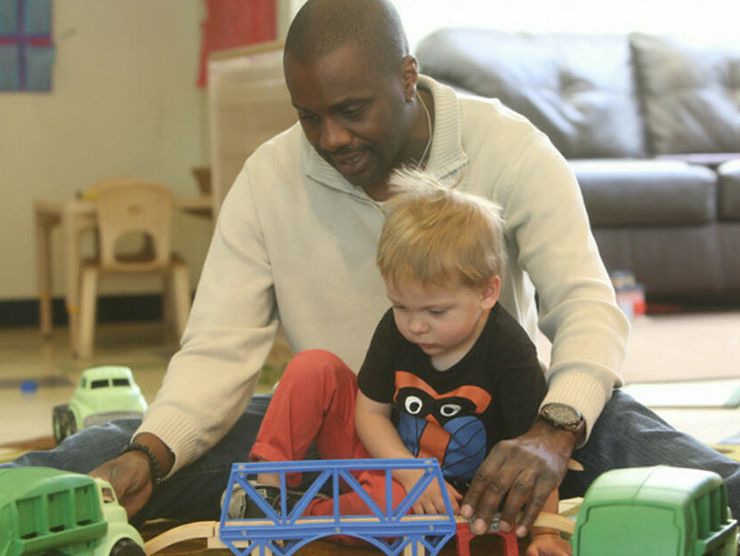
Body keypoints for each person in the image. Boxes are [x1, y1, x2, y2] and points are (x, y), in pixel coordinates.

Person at [9, 0, 738, 538]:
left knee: (638, 440)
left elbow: (585, 305)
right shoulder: (269, 179)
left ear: (408, 77)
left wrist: (552, 429)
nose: (330, 137)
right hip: (345, 432)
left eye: (351, 110)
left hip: (498, 425)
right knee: (104, 454)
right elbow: (217, 350)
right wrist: (153, 451)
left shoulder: (511, 149)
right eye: (309, 116)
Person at [241, 169, 570, 555]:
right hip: (388, 458)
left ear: (487, 292)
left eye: (436, 311)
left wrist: (546, 534)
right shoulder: (398, 328)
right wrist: (410, 470)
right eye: (400, 306)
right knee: (313, 366)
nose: (415, 325)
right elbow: (370, 415)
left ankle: (307, 516)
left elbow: (533, 455)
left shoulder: (510, 353)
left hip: (450, 500)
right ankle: (263, 496)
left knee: (394, 508)